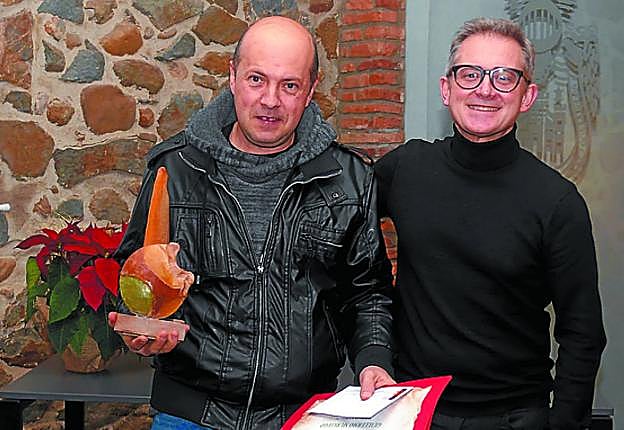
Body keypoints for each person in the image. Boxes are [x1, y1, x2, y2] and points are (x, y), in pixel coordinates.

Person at [109, 16, 394, 430]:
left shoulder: (348, 179)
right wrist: (140, 326)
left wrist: (374, 360)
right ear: (233, 76)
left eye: (289, 85)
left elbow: (367, 293)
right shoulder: (176, 170)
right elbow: (134, 272)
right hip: (190, 415)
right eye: (257, 79)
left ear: (311, 90)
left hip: (303, 415)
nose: (270, 100)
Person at [375, 17, 606, 430]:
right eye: (470, 74)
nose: (484, 89)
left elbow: (582, 332)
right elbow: (339, 232)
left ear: (527, 96)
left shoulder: (557, 202)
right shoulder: (406, 170)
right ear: (446, 88)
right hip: (413, 408)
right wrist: (371, 352)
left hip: (515, 416)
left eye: (504, 77)